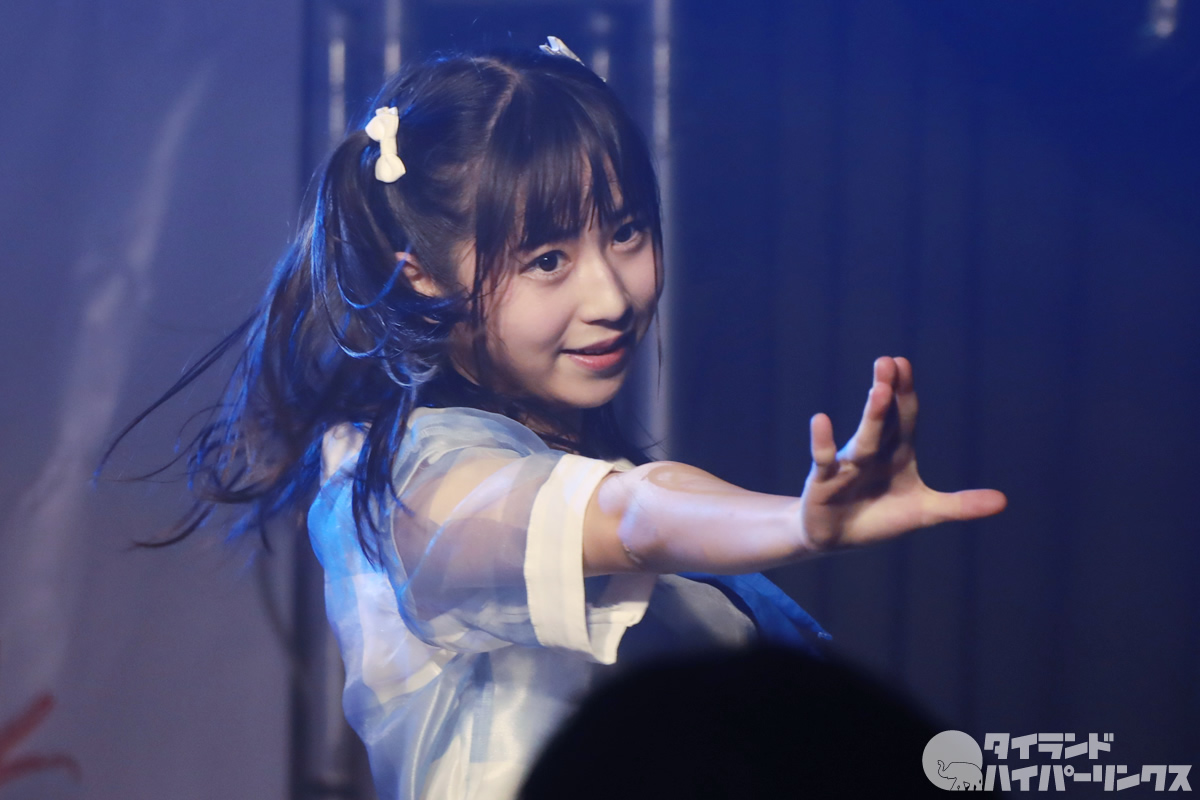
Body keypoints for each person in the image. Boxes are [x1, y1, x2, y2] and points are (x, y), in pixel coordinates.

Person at [110, 37, 1006, 800]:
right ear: (421, 272)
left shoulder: (541, 451)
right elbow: (632, 512)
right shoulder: (413, 482)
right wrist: (797, 523)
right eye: (547, 258)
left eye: (626, 231)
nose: (610, 294)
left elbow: (635, 495)